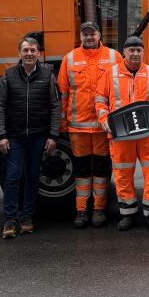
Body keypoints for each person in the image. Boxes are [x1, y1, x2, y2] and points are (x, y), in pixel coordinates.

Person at [95, 36, 149, 232]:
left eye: (139, 50)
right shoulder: (110, 74)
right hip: (121, 134)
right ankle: (128, 214)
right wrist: (104, 120)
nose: (135, 54)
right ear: (124, 53)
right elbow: (100, 100)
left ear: (143, 52)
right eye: (131, 50)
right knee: (122, 174)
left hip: (147, 133)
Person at [57, 21, 121, 229]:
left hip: (104, 127)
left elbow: (120, 90)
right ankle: (82, 211)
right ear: (81, 37)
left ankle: (99, 210)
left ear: (99, 34)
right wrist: (62, 121)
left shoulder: (114, 57)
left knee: (102, 170)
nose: (89, 37)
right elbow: (63, 93)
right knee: (82, 171)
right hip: (78, 128)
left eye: (92, 34)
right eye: (85, 35)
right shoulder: (69, 59)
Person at [0, 37, 61, 239]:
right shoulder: (8, 76)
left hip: (38, 136)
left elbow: (55, 107)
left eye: (33, 50)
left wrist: (53, 135)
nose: (29, 53)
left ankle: (26, 217)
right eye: (25, 50)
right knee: (13, 177)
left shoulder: (48, 76)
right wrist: (1, 135)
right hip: (14, 137)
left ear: (39, 53)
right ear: (19, 53)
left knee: (33, 176)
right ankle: (9, 219)